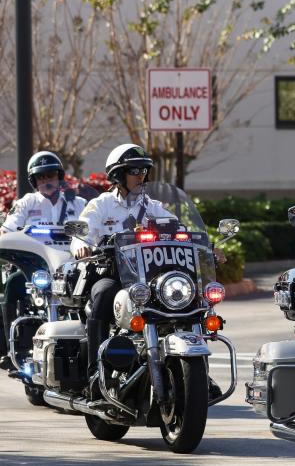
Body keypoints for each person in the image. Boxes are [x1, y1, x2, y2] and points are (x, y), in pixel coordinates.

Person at [71, 144, 175, 394]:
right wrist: (80, 246)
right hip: (113, 275)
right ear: (118, 176)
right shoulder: (102, 205)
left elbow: (177, 228)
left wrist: (207, 247)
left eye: (144, 171)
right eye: (134, 171)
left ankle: (196, 370)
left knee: (184, 302)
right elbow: (82, 229)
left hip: (150, 279)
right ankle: (96, 373)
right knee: (103, 295)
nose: (141, 176)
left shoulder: (153, 207)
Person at [0, 151, 87, 369]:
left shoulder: (79, 204)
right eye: (41, 177)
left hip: (71, 267)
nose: (46, 181)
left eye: (50, 175)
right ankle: (10, 348)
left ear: (59, 176)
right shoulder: (27, 203)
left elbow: (93, 232)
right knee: (12, 284)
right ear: (34, 181)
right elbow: (7, 229)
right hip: (34, 268)